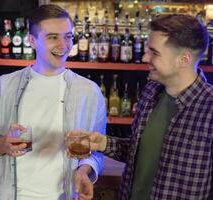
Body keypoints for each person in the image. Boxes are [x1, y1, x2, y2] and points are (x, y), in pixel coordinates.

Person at [68, 14, 213, 199]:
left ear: (183, 59)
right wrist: (103, 143)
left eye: (154, 52)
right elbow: (141, 151)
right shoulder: (151, 92)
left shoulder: (209, 108)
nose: (144, 57)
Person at [0, 4, 106, 200]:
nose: (63, 45)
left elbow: (96, 152)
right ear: (32, 41)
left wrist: (84, 171)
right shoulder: (5, 85)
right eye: (53, 37)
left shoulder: (89, 92)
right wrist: (2, 145)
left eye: (68, 36)